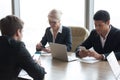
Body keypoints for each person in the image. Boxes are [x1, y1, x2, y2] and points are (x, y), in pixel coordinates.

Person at [0, 15, 46, 80]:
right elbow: (39, 74)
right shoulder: (17, 46)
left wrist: (28, 60)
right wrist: (36, 64)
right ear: (18, 32)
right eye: (22, 31)